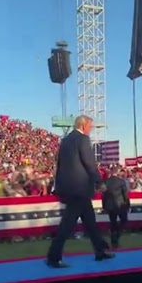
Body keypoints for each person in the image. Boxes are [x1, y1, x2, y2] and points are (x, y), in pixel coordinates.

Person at [46, 115, 114, 268]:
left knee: (90, 222)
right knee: (67, 224)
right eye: (90, 126)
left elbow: (60, 164)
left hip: (69, 188)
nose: (91, 129)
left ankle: (100, 250)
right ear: (83, 125)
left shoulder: (65, 140)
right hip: (80, 189)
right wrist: (99, 182)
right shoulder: (82, 139)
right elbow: (89, 162)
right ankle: (53, 257)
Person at [101, 166, 130, 249]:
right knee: (123, 220)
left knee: (113, 223)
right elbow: (125, 194)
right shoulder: (121, 181)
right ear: (117, 172)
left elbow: (103, 196)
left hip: (110, 206)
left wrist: (104, 206)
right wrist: (128, 205)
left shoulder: (106, 181)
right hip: (120, 205)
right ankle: (116, 236)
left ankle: (114, 240)